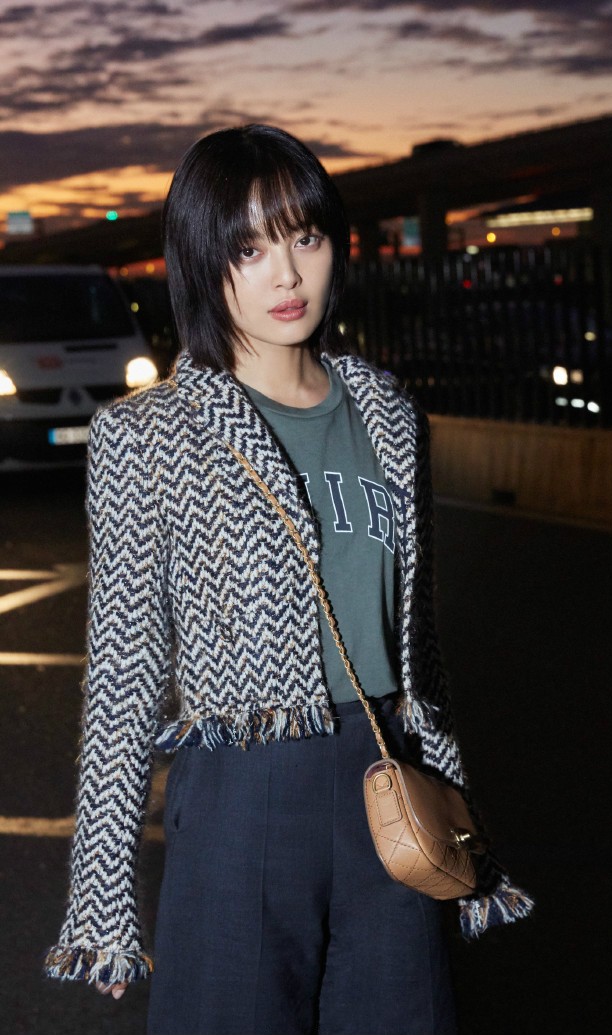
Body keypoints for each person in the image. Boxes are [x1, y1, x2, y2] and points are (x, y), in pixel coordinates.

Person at [44, 124, 532, 1035]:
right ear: (202, 262)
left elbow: (417, 645)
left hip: (385, 770)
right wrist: (102, 895)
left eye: (304, 236)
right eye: (249, 249)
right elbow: (123, 672)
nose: (287, 274)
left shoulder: (389, 417)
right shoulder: (147, 436)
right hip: (243, 787)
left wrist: (456, 807)